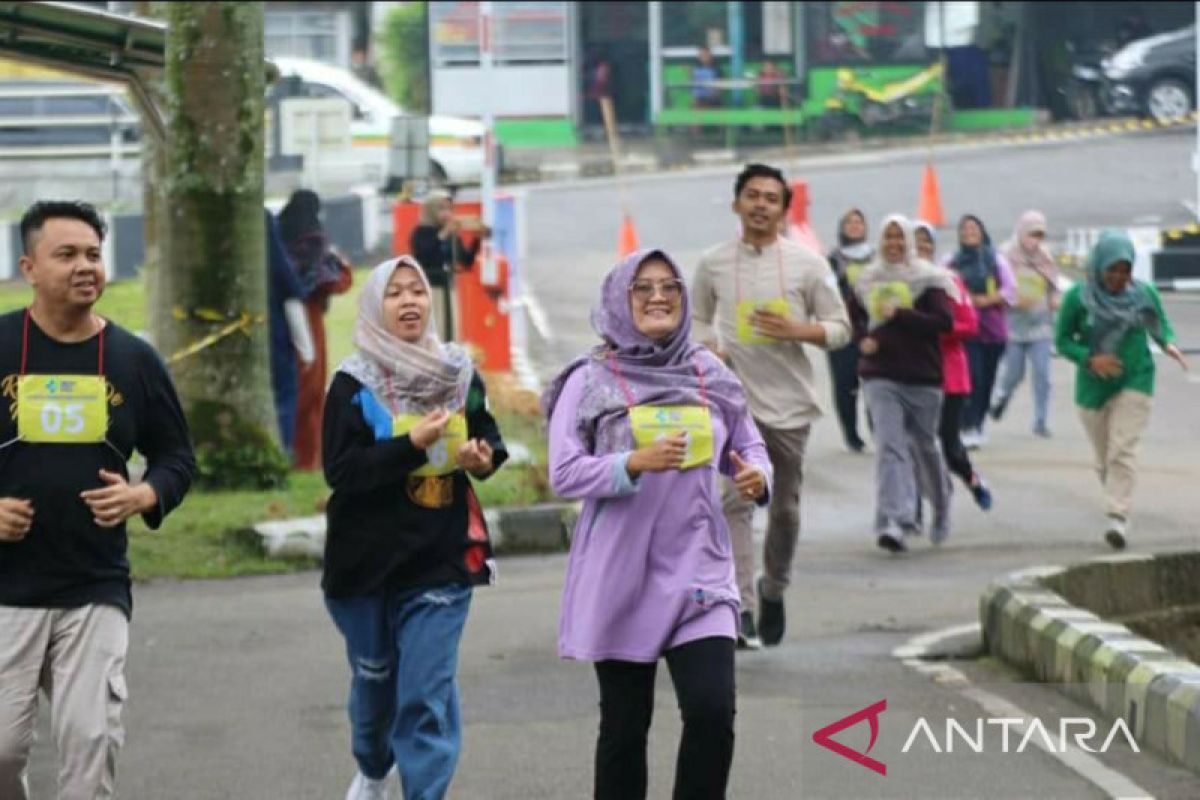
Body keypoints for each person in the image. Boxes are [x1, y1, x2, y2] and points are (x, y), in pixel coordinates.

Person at [543, 248, 770, 800]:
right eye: (642, 288)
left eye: (669, 286)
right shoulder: (590, 379)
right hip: (623, 574)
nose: (658, 297)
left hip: (700, 570)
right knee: (624, 730)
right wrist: (630, 463)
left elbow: (748, 441)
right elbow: (564, 472)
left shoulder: (707, 370)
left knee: (713, 712)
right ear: (619, 301)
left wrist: (755, 475)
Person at [0, 201, 196, 799]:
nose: (85, 266)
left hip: (94, 583)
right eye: (67, 255)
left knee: (89, 744)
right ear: (30, 267)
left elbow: (177, 459)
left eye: (93, 254)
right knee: (2, 750)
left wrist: (144, 493)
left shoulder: (135, 360)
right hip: (7, 588)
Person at [322, 255, 508, 800]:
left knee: (425, 693)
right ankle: (374, 768)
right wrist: (411, 446)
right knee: (376, 685)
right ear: (375, 306)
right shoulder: (352, 383)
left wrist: (481, 457)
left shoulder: (458, 372)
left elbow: (489, 436)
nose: (409, 302)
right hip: (365, 564)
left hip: (440, 557)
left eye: (418, 292)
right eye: (395, 293)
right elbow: (342, 471)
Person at [692, 163, 851, 649]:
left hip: (790, 407)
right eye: (752, 196)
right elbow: (696, 320)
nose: (761, 205)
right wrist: (710, 347)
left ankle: (774, 586)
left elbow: (840, 328)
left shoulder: (808, 264)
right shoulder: (712, 263)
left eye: (771, 198)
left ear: (784, 209)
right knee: (735, 500)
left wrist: (798, 331)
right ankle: (740, 606)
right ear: (737, 203)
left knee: (784, 509)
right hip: (734, 404)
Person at [1054, 230, 1187, 549]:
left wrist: (1168, 343)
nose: (1118, 277)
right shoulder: (1077, 298)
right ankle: (1117, 497)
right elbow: (1062, 341)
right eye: (1111, 270)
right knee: (1104, 460)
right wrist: (1089, 359)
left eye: (1125, 270)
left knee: (1122, 450)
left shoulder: (1143, 294)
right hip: (1093, 387)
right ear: (1098, 267)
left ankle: (1118, 516)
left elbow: (1159, 324)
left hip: (1135, 379)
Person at [849, 216, 956, 553]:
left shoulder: (929, 278)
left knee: (925, 447)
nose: (893, 243)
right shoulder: (868, 279)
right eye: (888, 237)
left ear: (908, 241)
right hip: (880, 374)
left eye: (899, 237)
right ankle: (894, 521)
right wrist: (863, 339)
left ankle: (940, 505)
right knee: (891, 447)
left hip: (923, 376)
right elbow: (854, 319)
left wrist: (901, 314)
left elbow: (944, 322)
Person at [914, 221, 993, 511]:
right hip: (911, 375)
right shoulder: (896, 283)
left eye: (926, 243)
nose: (921, 249)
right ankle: (913, 510)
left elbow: (969, 324)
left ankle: (972, 478)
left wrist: (933, 328)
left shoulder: (949, 281)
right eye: (916, 243)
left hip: (948, 375)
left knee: (948, 447)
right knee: (913, 447)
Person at [279, 189, 354, 471]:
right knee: (309, 392)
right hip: (307, 321)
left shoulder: (278, 236)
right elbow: (337, 281)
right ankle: (307, 460)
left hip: (278, 320)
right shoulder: (313, 241)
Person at [947, 214, 1015, 449]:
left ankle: (978, 422)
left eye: (973, 228)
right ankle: (966, 425)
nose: (969, 232)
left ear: (982, 231)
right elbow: (942, 286)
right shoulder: (952, 262)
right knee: (972, 377)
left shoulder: (996, 260)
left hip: (992, 330)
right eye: (964, 229)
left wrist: (987, 300)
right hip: (966, 330)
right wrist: (965, 301)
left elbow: (1010, 290)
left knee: (986, 380)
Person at [990, 210, 1059, 438]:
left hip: (1040, 325)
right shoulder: (1005, 256)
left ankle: (1041, 420)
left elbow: (1053, 284)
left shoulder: (1045, 257)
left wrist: (1054, 299)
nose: (1035, 240)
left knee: (1042, 374)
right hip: (1013, 326)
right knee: (1014, 373)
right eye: (1031, 234)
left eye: (1040, 235)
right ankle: (1001, 397)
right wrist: (1010, 298)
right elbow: (996, 286)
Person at [266, 208, 314, 455]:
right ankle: (280, 452)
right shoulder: (263, 220)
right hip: (273, 331)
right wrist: (306, 348)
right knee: (284, 396)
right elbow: (288, 285)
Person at [826, 208, 875, 452]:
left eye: (859, 222)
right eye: (850, 222)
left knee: (876, 382)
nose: (855, 226)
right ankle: (851, 434)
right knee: (846, 385)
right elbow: (825, 292)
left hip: (873, 329)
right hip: (843, 330)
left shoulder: (877, 257)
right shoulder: (832, 260)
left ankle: (879, 429)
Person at [409, 191, 484, 342]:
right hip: (430, 289)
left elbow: (466, 261)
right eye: (441, 209)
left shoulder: (451, 234)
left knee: (451, 331)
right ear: (431, 210)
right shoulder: (421, 232)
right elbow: (425, 254)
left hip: (448, 288)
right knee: (435, 332)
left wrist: (477, 239)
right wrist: (443, 234)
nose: (447, 213)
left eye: (449, 209)